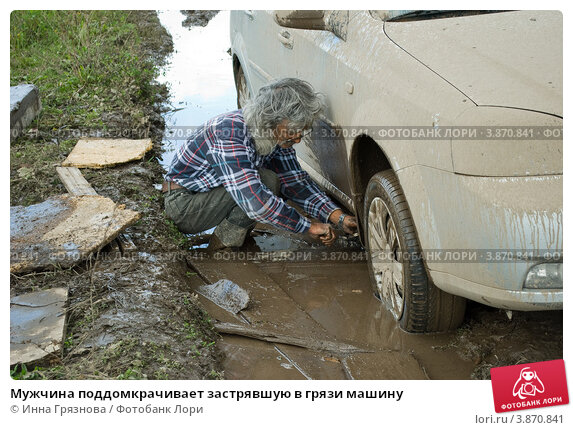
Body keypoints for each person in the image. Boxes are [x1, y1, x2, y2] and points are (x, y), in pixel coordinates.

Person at [163, 78, 357, 251]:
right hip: (182, 206)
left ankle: (233, 238)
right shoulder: (229, 135)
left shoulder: (277, 136)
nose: (297, 139)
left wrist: (337, 217)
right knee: (266, 182)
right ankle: (221, 247)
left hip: (210, 195)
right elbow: (256, 203)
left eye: (302, 131)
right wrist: (307, 226)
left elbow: (295, 183)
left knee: (272, 181)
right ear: (270, 121)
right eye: (293, 131)